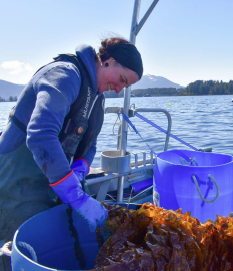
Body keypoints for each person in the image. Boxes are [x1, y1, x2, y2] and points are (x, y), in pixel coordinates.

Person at [0, 37, 143, 270]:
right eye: (122, 80)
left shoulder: (97, 99)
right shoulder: (65, 75)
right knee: (19, 244)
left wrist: (80, 168)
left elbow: (91, 144)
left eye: (125, 87)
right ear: (108, 61)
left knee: (75, 230)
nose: (118, 89)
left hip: (54, 174)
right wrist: (75, 196)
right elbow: (40, 134)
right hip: (18, 174)